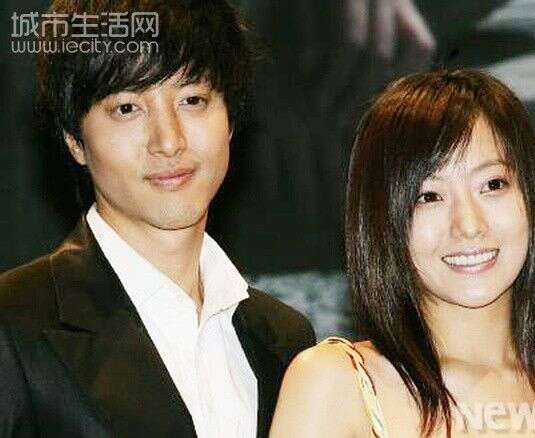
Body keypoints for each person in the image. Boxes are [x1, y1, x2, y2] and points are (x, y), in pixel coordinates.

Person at [0, 1, 315, 437]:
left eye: (192, 100)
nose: (169, 141)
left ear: (230, 119)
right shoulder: (14, 325)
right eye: (127, 108)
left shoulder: (283, 340)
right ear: (75, 139)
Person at [270, 69, 535, 437]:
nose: (469, 224)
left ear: (534, 197)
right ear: (383, 220)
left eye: (492, 184)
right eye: (429, 196)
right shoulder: (337, 384)